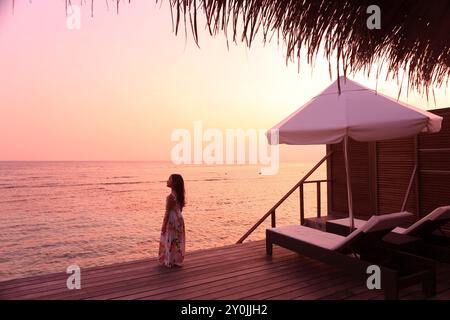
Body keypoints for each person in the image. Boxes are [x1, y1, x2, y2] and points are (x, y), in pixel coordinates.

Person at [158, 174, 186, 268]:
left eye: (169, 179)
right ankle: (176, 260)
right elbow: (180, 209)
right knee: (177, 240)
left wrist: (163, 225)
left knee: (170, 240)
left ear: (174, 183)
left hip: (171, 221)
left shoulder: (170, 197)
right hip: (179, 220)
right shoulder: (179, 195)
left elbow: (167, 212)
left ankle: (169, 261)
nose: (167, 181)